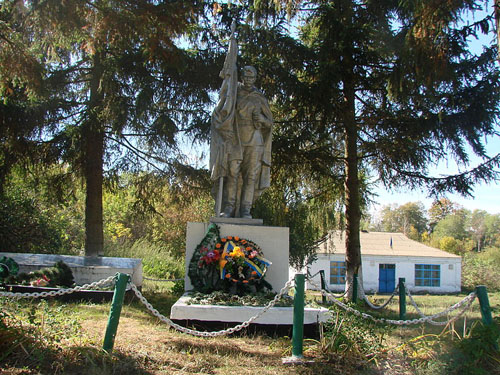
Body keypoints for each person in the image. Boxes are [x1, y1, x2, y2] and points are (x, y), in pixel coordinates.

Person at [211, 66, 273, 219]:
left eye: (251, 78)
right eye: (246, 77)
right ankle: (229, 207)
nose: (248, 80)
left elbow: (269, 123)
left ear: (255, 79)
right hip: (236, 138)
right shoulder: (233, 93)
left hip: (255, 140)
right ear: (242, 77)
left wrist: (262, 120)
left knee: (251, 176)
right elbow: (221, 111)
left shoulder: (259, 97)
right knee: (232, 173)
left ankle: (246, 209)